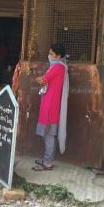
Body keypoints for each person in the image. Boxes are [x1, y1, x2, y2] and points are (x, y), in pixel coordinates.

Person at [32, 43, 69, 171]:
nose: (49, 56)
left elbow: (42, 80)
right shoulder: (59, 67)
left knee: (48, 135)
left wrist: (39, 78)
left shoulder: (58, 67)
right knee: (49, 134)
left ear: (58, 56)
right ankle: (48, 159)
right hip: (50, 104)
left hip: (50, 105)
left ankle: (48, 162)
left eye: (52, 54)